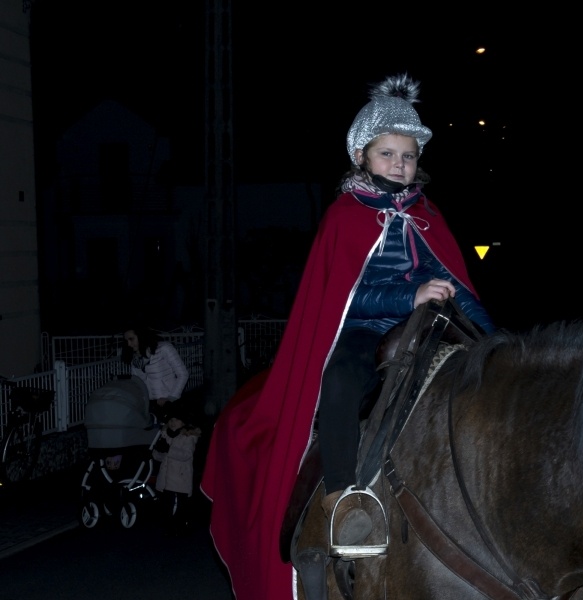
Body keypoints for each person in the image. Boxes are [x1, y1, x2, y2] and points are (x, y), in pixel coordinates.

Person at [201, 73, 494, 600]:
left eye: (407, 156)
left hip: (425, 328)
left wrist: (495, 342)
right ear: (362, 156)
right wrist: (409, 298)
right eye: (387, 154)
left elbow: (455, 287)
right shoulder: (343, 217)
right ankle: (344, 499)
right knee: (340, 382)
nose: (399, 165)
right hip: (361, 328)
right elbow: (339, 299)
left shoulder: (427, 216)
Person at [121, 325, 189, 422]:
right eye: (126, 340)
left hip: (170, 402)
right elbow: (138, 382)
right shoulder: (135, 358)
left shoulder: (164, 348)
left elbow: (183, 374)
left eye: (131, 339)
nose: (129, 344)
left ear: (141, 336)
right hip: (150, 403)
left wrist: (171, 397)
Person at [153, 407, 201, 537]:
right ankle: (168, 527)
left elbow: (186, 455)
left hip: (180, 476)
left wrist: (168, 449)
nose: (173, 422)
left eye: (177, 420)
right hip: (166, 476)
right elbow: (159, 457)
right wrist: (158, 451)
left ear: (183, 422)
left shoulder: (188, 436)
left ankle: (181, 526)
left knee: (181, 504)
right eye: (171, 419)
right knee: (166, 503)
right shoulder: (165, 434)